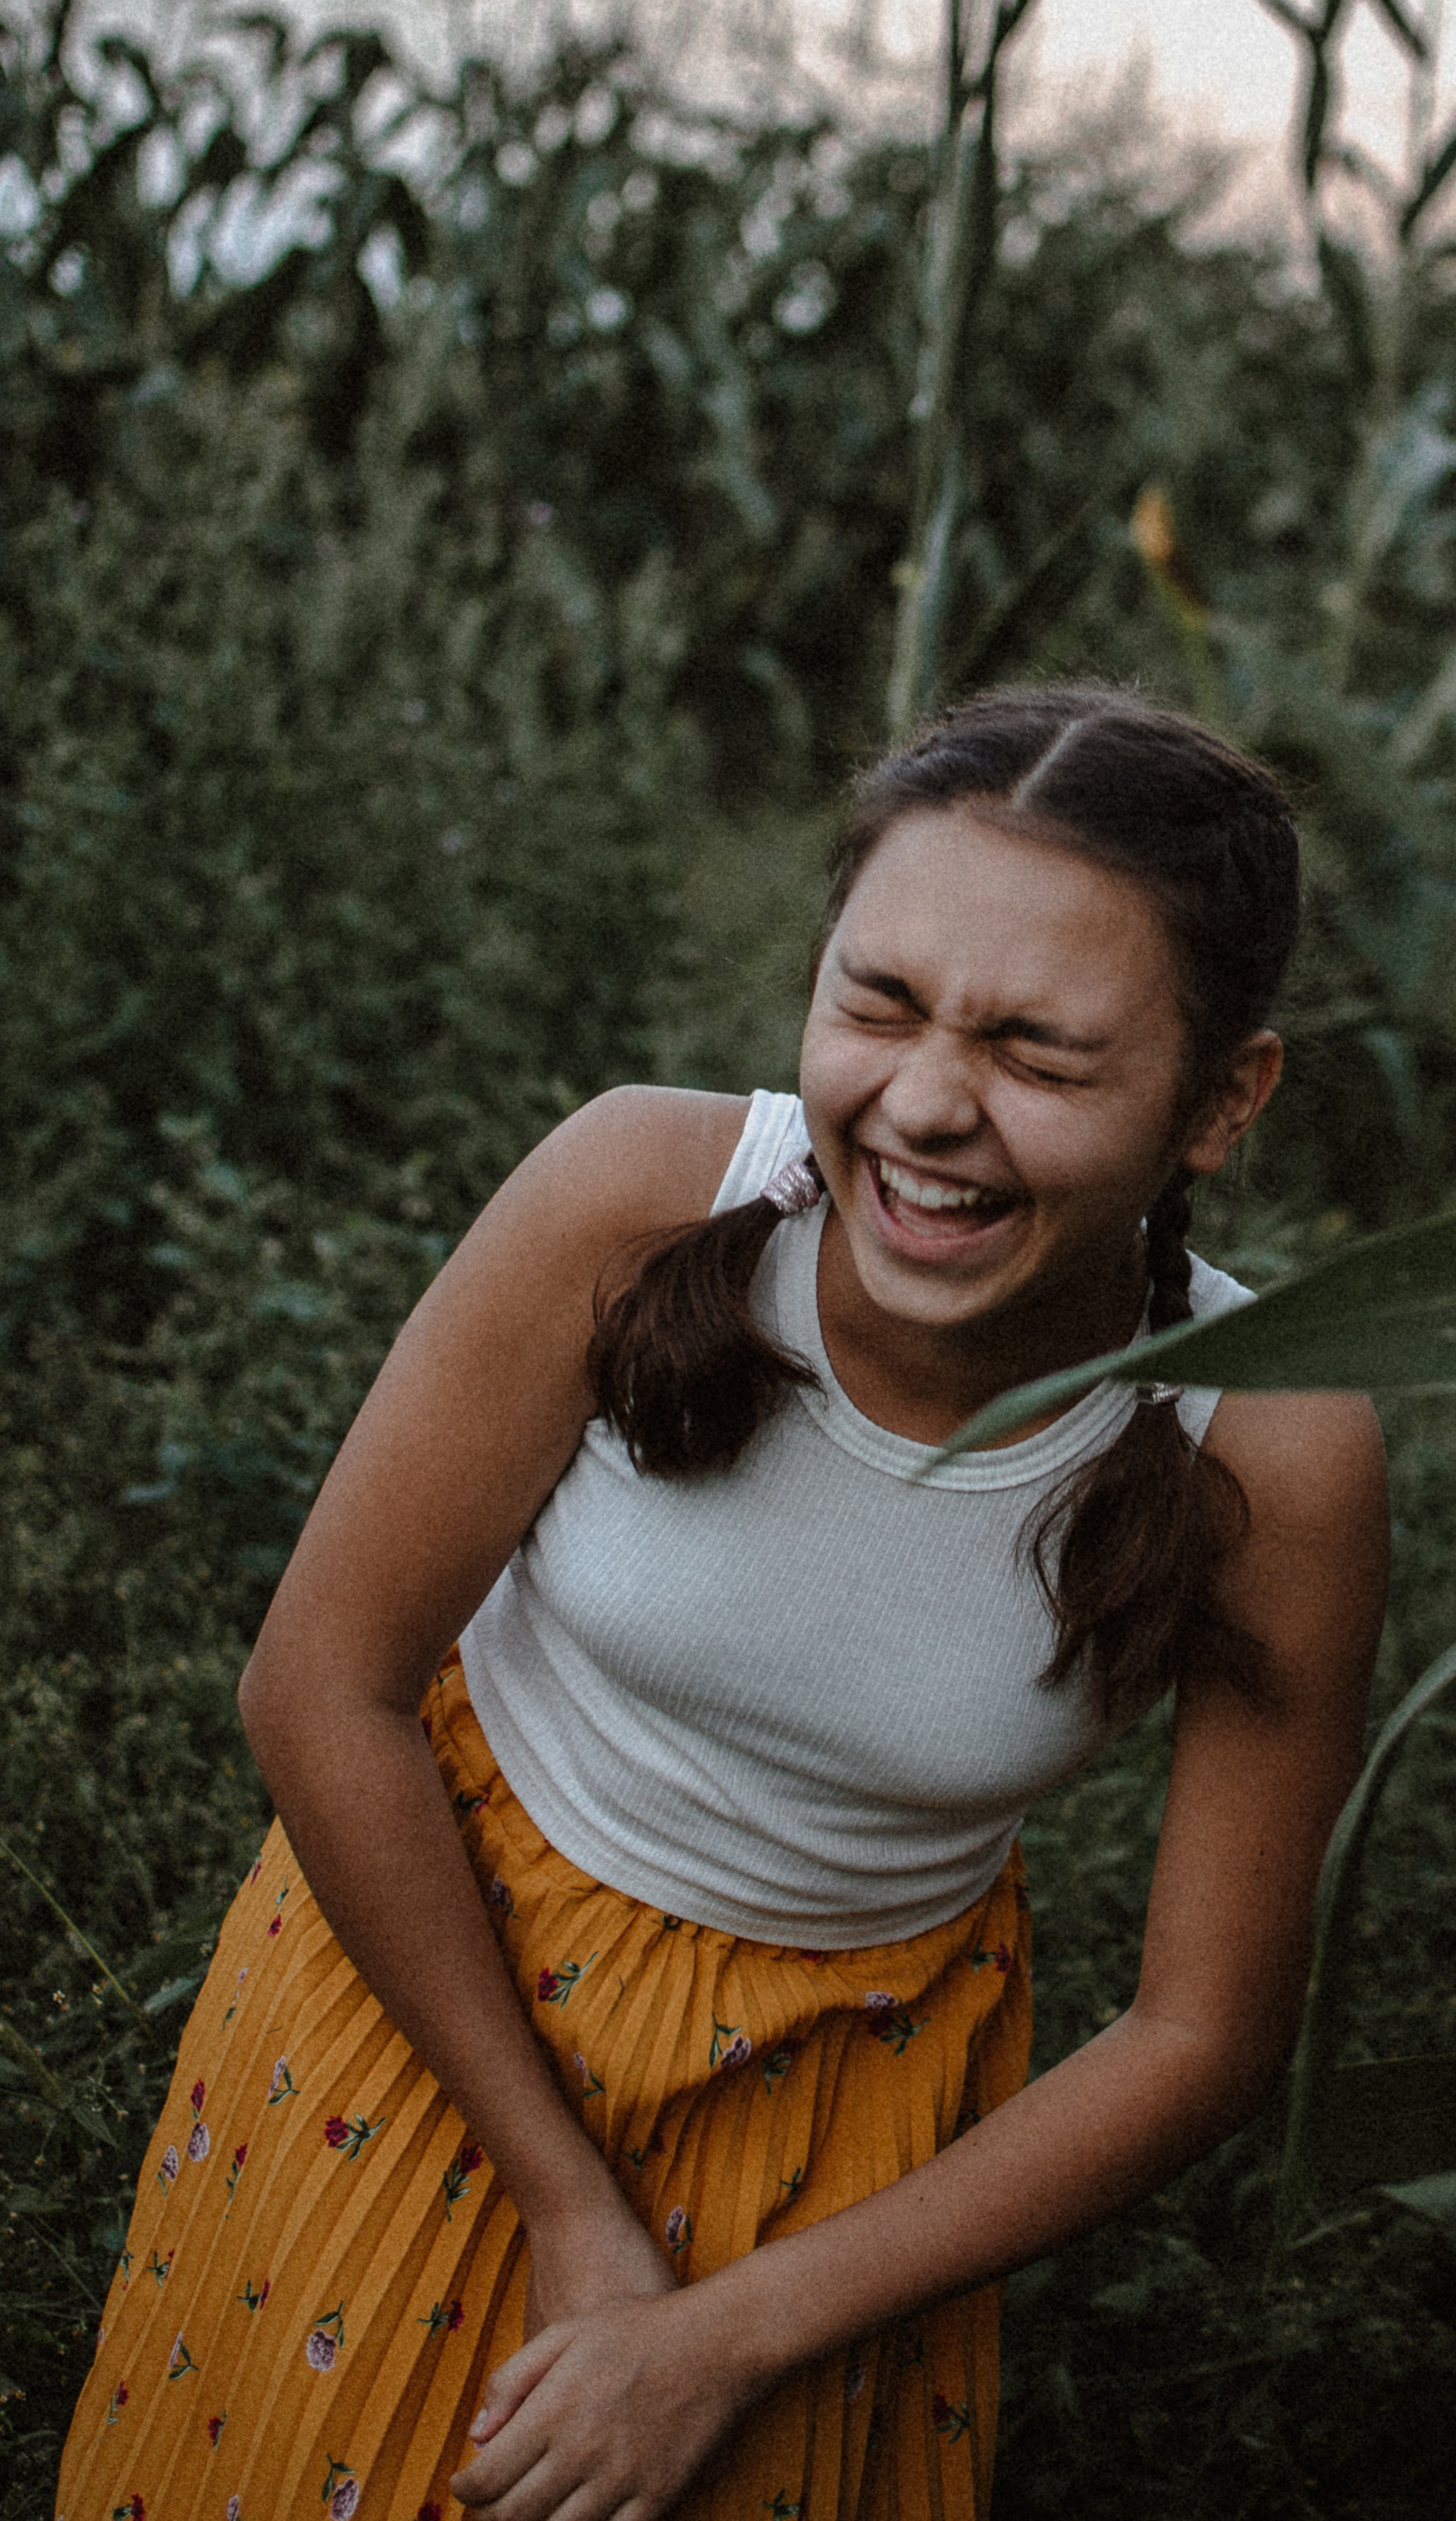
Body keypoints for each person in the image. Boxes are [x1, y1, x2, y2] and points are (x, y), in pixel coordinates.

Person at [57, 684, 1388, 2521]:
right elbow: (319, 1686)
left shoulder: (1275, 1439)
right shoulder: (638, 1197)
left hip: (843, 2146)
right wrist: (564, 2202)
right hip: (423, 1994)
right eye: (879, 1000)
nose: (928, 1106)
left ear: (1222, 1098)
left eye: (1043, 1054)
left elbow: (1203, 2031)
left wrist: (731, 2332)